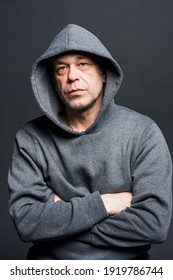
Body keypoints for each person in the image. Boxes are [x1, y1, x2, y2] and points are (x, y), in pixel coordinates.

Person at [8, 24, 172, 260]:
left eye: (83, 64)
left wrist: (61, 222)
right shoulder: (31, 138)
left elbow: (154, 224)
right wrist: (106, 204)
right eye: (61, 69)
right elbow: (27, 223)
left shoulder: (143, 133)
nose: (72, 76)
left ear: (104, 74)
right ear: (54, 82)